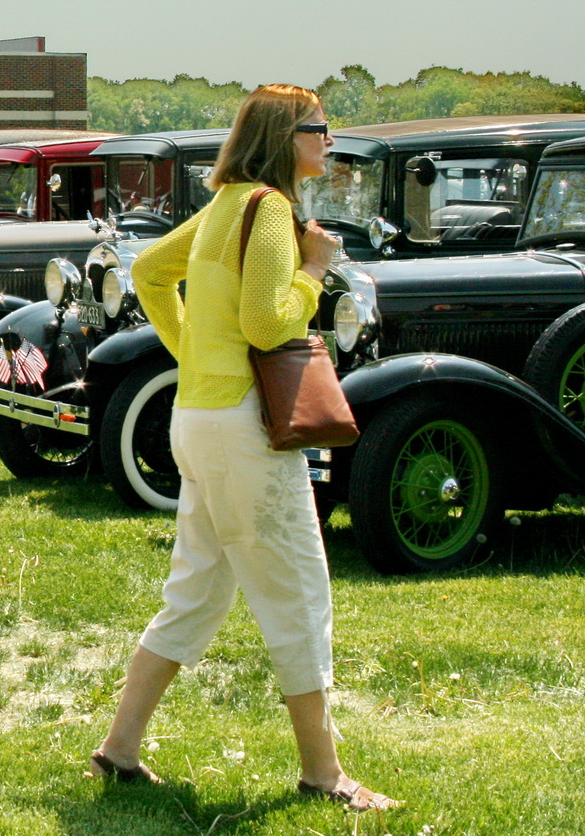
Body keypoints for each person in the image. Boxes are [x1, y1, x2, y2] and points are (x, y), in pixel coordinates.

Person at [89, 85, 397, 813]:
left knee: (196, 590)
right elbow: (267, 325)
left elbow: (148, 272)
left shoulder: (224, 203)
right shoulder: (266, 210)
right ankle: (325, 775)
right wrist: (314, 268)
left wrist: (193, 349)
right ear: (284, 136)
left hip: (200, 417)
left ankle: (119, 750)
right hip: (242, 429)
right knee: (297, 590)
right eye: (318, 128)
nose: (329, 138)